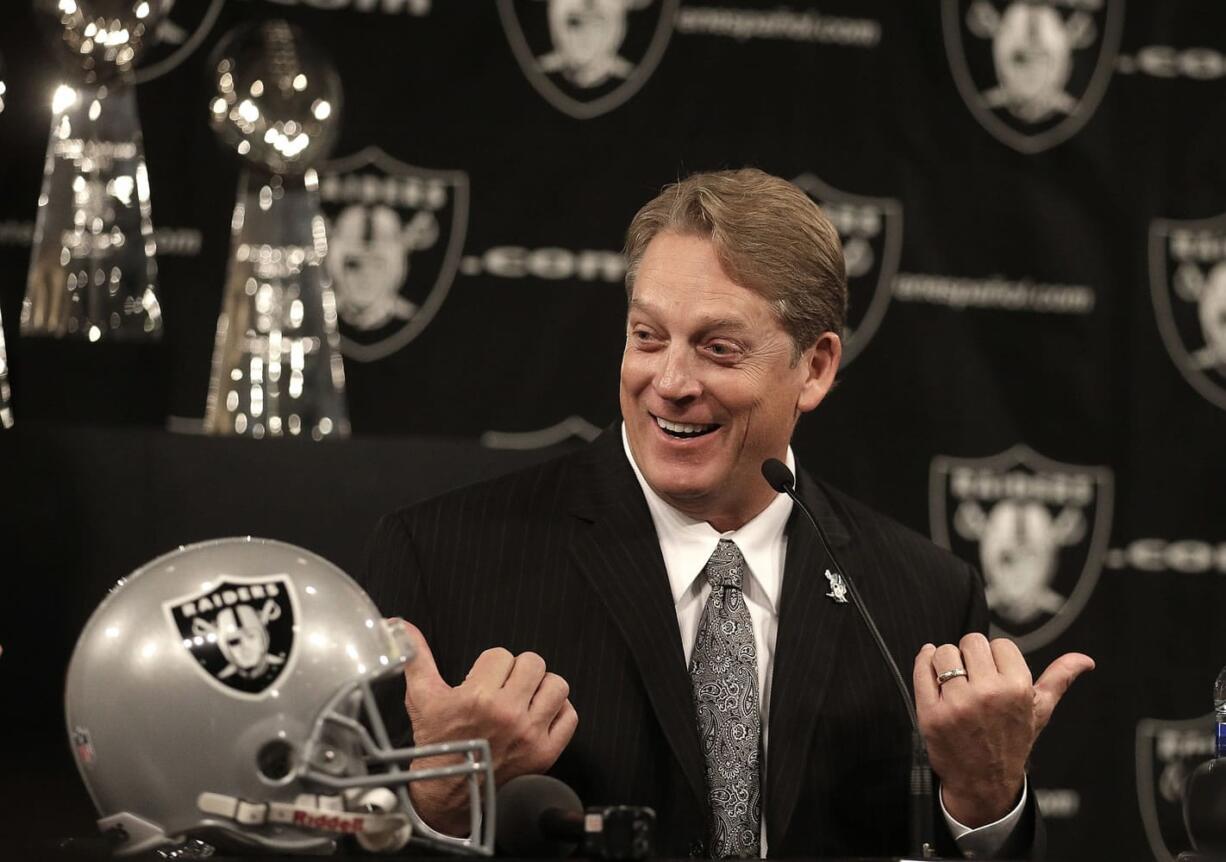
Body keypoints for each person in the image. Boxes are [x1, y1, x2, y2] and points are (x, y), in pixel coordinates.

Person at [362, 168, 1093, 859]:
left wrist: (987, 797)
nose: (670, 382)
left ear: (815, 368)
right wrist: (437, 803)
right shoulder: (446, 557)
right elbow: (339, 837)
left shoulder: (921, 594)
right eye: (647, 337)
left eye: (718, 348)